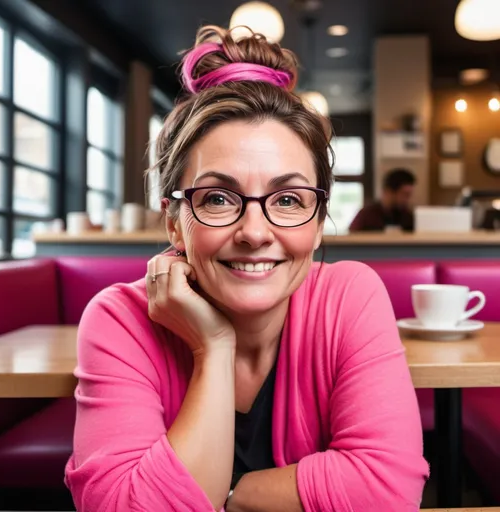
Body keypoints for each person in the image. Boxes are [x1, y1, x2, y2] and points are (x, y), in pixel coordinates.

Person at [65, 25, 428, 512]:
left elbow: (385, 491)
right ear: (175, 222)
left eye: (287, 199)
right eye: (217, 198)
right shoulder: (120, 320)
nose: (255, 232)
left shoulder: (350, 296)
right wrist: (211, 346)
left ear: (318, 223)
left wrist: (228, 494)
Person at [349, 168, 416, 232]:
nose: (408, 199)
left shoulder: (407, 217)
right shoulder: (366, 215)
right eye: (405, 194)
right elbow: (351, 238)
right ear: (389, 192)